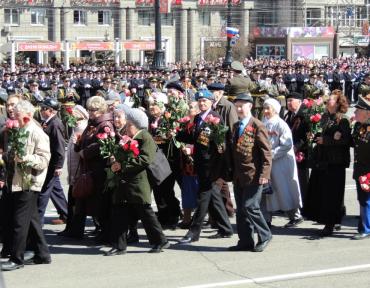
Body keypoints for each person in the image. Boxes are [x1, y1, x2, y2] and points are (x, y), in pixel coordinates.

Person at [107, 108, 170, 255]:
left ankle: (160, 241)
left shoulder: (145, 137)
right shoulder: (128, 137)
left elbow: (145, 159)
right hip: (124, 180)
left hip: (138, 182)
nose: (126, 127)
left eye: (129, 124)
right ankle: (119, 245)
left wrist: (122, 165)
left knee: (146, 212)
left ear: (136, 124)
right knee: (119, 212)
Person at [177, 88, 233, 244]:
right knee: (213, 197)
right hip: (201, 165)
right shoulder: (197, 119)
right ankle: (226, 228)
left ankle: (193, 232)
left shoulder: (215, 118)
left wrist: (219, 168)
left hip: (212, 167)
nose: (202, 103)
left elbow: (221, 146)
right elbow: (194, 137)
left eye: (205, 101)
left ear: (211, 102)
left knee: (202, 198)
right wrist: (176, 133)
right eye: (200, 100)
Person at [1, 100, 51, 271]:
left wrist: (26, 159)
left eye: (16, 113)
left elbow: (44, 160)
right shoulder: (19, 130)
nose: (13, 115)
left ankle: (16, 259)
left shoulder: (36, 132)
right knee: (32, 220)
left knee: (19, 222)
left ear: (27, 115)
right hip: (18, 181)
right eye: (13, 113)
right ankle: (43, 254)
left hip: (30, 182)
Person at [229, 92, 272, 252]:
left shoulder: (257, 126)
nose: (239, 109)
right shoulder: (236, 126)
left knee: (251, 206)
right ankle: (245, 241)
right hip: (239, 176)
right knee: (241, 210)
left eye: (242, 106)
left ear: (250, 106)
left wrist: (265, 175)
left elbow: (266, 153)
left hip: (254, 175)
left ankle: (265, 235)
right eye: (237, 106)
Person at [304, 92, 351, 236]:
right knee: (322, 191)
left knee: (333, 194)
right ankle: (327, 218)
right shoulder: (325, 117)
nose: (327, 101)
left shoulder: (343, 119)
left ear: (337, 103)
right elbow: (324, 133)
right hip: (323, 159)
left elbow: (346, 141)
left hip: (335, 161)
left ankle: (331, 223)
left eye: (330, 99)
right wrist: (317, 137)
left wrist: (328, 141)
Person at [72, 96, 114, 240]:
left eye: (94, 110)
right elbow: (84, 140)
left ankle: (106, 232)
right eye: (89, 109)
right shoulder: (92, 123)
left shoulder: (105, 124)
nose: (90, 112)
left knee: (101, 203)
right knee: (92, 202)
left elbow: (105, 144)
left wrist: (86, 152)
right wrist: (78, 145)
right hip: (89, 168)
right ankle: (100, 230)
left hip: (99, 168)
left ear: (101, 110)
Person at [261, 98, 303, 228]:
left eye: (269, 109)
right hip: (268, 163)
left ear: (275, 110)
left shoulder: (281, 124)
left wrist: (271, 155)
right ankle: (266, 219)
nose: (266, 111)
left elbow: (287, 144)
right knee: (266, 191)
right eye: (265, 108)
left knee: (283, 189)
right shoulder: (263, 123)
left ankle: (295, 216)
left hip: (281, 163)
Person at [58, 105, 89, 237]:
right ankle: (70, 228)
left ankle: (75, 230)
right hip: (73, 171)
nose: (71, 114)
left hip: (78, 172)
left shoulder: (82, 127)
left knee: (77, 203)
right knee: (72, 202)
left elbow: (78, 149)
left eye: (74, 112)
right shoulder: (76, 126)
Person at [208, 82, 238, 217]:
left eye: (212, 92)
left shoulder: (228, 106)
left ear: (220, 93)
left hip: (223, 148)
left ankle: (217, 214)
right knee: (222, 180)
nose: (209, 94)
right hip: (213, 148)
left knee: (217, 181)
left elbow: (232, 129)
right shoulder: (211, 105)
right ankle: (228, 209)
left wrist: (229, 151)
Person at [38, 98, 68, 225]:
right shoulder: (49, 122)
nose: (41, 110)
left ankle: (37, 220)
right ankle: (66, 214)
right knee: (55, 190)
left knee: (43, 192)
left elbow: (60, 147)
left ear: (50, 111)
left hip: (52, 163)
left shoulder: (55, 124)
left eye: (43, 108)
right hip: (50, 162)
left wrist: (59, 166)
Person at [284, 92, 310, 216]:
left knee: (302, 180)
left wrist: (297, 147)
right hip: (290, 151)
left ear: (299, 101)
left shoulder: (305, 114)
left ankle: (305, 206)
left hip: (301, 152)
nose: (288, 103)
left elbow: (307, 135)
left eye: (291, 100)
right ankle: (294, 204)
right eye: (287, 101)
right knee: (292, 180)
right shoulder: (289, 114)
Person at [351, 95, 370, 240]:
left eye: (358, 110)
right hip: (359, 169)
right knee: (362, 198)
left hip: (367, 171)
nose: (355, 113)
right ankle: (363, 226)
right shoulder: (358, 126)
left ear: (367, 113)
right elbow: (355, 143)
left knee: (365, 199)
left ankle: (365, 229)